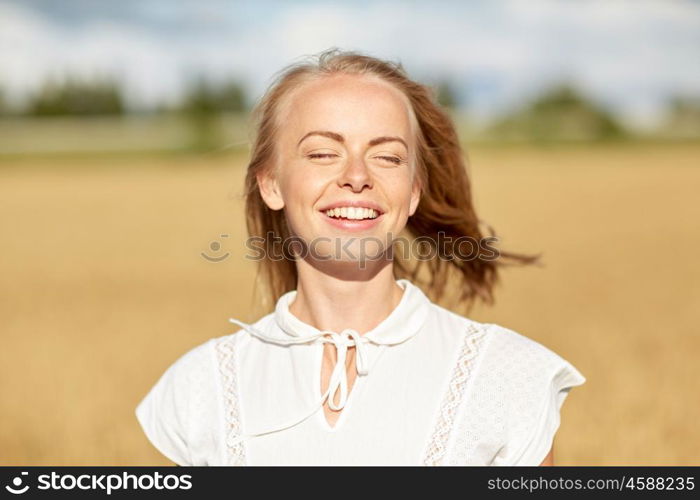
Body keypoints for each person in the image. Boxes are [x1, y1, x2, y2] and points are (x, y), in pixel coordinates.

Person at [135, 48, 585, 466]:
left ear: (413, 192)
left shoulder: (509, 378)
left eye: (387, 157)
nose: (356, 176)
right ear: (271, 183)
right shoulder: (200, 389)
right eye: (323, 153)